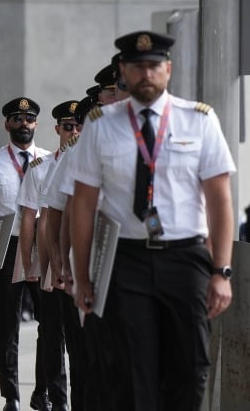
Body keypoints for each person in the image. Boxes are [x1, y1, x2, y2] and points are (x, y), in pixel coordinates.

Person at [71, 31, 235, 410]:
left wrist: (221, 271)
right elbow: (83, 207)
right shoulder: (99, 125)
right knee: (131, 372)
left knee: (190, 367)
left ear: (168, 70)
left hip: (186, 259)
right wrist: (82, 276)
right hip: (126, 262)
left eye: (153, 66)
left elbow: (219, 201)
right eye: (137, 67)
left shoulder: (199, 121)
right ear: (123, 71)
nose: (146, 74)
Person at [0, 97, 50, 411]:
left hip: (40, 245)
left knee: (49, 321)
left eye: (29, 119)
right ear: (7, 124)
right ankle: (11, 395)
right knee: (8, 322)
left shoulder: (48, 160)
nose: (24, 125)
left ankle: (42, 390)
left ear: (36, 124)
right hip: (6, 245)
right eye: (17, 119)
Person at [16, 100, 82, 411]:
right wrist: (34, 264)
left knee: (80, 338)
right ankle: (57, 399)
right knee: (52, 332)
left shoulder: (86, 161)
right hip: (52, 260)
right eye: (68, 126)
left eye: (78, 126)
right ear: (57, 129)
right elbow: (34, 218)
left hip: (80, 263)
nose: (74, 132)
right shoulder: (42, 167)